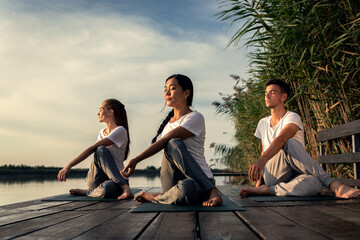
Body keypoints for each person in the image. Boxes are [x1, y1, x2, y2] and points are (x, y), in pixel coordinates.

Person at [239, 79, 360, 199]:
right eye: (266, 93)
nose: (267, 95)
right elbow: (264, 150)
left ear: (283, 97)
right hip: (274, 173)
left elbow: (282, 138)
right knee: (289, 142)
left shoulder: (292, 117)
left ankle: (269, 190)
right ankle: (334, 185)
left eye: (273, 92)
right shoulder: (262, 123)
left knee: (315, 184)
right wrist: (258, 182)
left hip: (297, 175)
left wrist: (261, 165)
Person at [121, 74, 223, 206]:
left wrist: (136, 160)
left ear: (186, 93)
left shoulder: (195, 117)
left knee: (173, 142)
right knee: (183, 188)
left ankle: (211, 189)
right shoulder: (167, 125)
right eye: (165, 90)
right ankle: (162, 196)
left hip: (200, 181)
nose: (167, 93)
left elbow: (167, 140)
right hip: (174, 181)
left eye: (172, 88)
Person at [57, 99, 133, 200]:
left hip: (116, 181)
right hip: (96, 180)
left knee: (107, 188)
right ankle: (91, 191)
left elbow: (92, 148)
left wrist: (69, 166)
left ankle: (122, 186)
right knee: (99, 150)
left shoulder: (120, 130)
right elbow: (93, 151)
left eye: (101, 110)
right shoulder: (101, 132)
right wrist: (68, 166)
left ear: (110, 112)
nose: (98, 113)